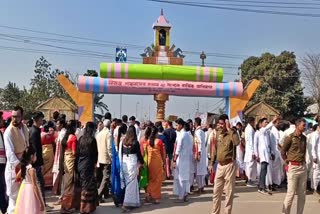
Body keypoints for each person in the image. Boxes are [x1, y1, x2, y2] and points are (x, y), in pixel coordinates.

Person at [209, 114, 240, 214]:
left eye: (222, 124)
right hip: (219, 166)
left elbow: (237, 142)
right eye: (219, 124)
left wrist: (229, 129)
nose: (220, 126)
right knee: (216, 192)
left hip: (229, 165)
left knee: (228, 193)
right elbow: (214, 150)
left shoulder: (232, 133)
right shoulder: (217, 133)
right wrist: (211, 163)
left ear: (226, 123)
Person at [4, 106, 29, 214]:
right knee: (14, 199)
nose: (14, 119)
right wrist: (20, 166)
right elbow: (9, 153)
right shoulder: (8, 132)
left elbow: (27, 145)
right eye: (13, 116)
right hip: (14, 169)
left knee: (23, 197)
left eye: (17, 116)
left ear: (21, 116)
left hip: (24, 166)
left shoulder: (24, 128)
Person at [281, 118, 307, 214]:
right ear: (297, 126)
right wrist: (287, 162)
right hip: (293, 167)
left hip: (302, 167)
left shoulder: (304, 138)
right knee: (290, 194)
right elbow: (283, 151)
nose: (305, 127)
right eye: (303, 125)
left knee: (302, 195)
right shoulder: (290, 137)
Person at [119, 125, 144, 212]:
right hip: (132, 163)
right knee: (131, 184)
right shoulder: (135, 142)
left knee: (129, 183)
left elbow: (121, 153)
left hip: (125, 164)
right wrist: (142, 163)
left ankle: (134, 202)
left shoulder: (123, 141)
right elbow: (139, 154)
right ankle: (126, 204)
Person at [14, 146, 45, 214]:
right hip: (31, 191)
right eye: (35, 155)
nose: (36, 156)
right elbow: (34, 186)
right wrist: (40, 202)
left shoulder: (24, 167)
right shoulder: (32, 170)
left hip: (25, 190)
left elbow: (17, 177)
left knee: (25, 208)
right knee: (33, 209)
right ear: (32, 156)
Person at [29, 111, 50, 209]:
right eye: (41, 119)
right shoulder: (34, 131)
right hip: (36, 163)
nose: (42, 121)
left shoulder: (36, 130)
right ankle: (42, 205)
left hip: (37, 162)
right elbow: (35, 149)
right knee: (39, 184)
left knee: (40, 183)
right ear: (37, 120)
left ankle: (42, 204)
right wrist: (39, 163)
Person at [77, 122, 99, 214]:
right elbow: (95, 154)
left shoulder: (81, 139)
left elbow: (78, 152)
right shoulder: (92, 140)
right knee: (88, 186)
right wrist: (94, 164)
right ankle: (86, 208)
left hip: (81, 164)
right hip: (89, 164)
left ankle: (87, 206)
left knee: (84, 185)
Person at [60, 120, 80, 213]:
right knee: (70, 183)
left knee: (66, 182)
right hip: (71, 160)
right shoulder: (73, 137)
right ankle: (67, 206)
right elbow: (74, 152)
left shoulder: (65, 137)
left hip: (65, 159)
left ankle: (65, 205)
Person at [255, 117, 278, 195]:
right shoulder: (260, 131)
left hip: (267, 153)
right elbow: (255, 145)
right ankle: (262, 187)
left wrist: (272, 152)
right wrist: (256, 154)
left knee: (264, 171)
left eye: (267, 122)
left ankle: (262, 186)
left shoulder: (268, 132)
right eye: (265, 122)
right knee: (263, 171)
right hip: (262, 154)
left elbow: (270, 144)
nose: (267, 124)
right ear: (261, 124)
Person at [173, 119, 193, 203]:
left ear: (181, 125)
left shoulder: (182, 135)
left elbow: (178, 148)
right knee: (184, 178)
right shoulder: (188, 135)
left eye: (177, 125)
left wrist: (174, 160)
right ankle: (184, 195)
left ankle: (181, 197)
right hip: (186, 159)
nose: (176, 127)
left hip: (181, 159)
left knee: (180, 178)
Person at [144, 126, 166, 204]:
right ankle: (156, 197)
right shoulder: (159, 142)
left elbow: (145, 153)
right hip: (157, 162)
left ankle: (148, 195)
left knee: (150, 179)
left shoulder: (147, 141)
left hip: (149, 163)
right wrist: (164, 163)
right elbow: (163, 154)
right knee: (157, 180)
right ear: (156, 133)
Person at [96, 119, 112, 202]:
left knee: (101, 177)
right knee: (106, 177)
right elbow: (109, 147)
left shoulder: (99, 134)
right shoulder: (108, 134)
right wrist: (111, 157)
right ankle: (99, 194)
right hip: (106, 158)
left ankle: (103, 194)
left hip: (99, 158)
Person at [111, 123, 127, 207]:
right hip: (121, 161)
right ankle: (120, 198)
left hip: (116, 161)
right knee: (122, 180)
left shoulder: (115, 140)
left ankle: (116, 195)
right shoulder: (124, 140)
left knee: (116, 179)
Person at [52, 118, 66, 202]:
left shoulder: (63, 133)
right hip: (57, 157)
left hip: (60, 157)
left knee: (59, 176)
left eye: (57, 124)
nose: (56, 126)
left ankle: (61, 196)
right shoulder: (60, 133)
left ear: (61, 125)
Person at [194, 117, 207, 194]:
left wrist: (198, 153)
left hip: (200, 153)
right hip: (202, 153)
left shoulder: (198, 132)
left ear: (195, 123)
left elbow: (199, 143)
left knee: (199, 171)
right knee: (201, 171)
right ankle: (201, 187)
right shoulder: (201, 131)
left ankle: (200, 188)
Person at [244, 117, 257, 187]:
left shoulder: (248, 128)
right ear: (252, 121)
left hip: (249, 149)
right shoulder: (250, 129)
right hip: (250, 150)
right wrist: (253, 152)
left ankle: (251, 179)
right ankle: (249, 180)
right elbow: (251, 142)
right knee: (250, 166)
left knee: (251, 165)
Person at [0, 121, 8, 214]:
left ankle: (4, 208)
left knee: (2, 187)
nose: (2, 120)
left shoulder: (1, 133)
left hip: (2, 163)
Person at [312, 124, 320, 195]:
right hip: (317, 157)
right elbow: (313, 147)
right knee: (316, 173)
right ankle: (315, 189)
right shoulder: (315, 134)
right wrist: (314, 156)